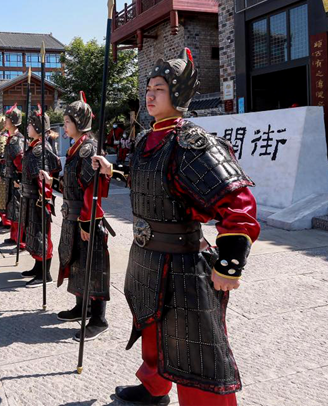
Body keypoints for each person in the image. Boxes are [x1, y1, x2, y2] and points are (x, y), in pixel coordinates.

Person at [92, 52, 260, 406]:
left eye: (159, 88)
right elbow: (153, 183)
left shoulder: (192, 142)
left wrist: (229, 264)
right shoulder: (146, 139)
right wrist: (112, 171)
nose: (150, 95)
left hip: (182, 262)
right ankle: (154, 387)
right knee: (152, 330)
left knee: (195, 347)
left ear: (178, 94)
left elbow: (237, 201)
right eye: (148, 88)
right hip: (146, 258)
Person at [40, 91, 112, 339]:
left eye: (68, 121)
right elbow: (71, 184)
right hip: (73, 216)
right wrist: (51, 181)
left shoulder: (88, 149)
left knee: (93, 267)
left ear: (80, 123)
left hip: (86, 219)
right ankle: (82, 307)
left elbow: (92, 189)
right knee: (77, 265)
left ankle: (99, 318)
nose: (65, 125)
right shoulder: (75, 148)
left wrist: (87, 222)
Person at [20, 107, 61, 287]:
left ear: (37, 127)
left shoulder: (40, 149)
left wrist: (44, 200)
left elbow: (43, 178)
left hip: (38, 199)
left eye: (30, 125)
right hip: (30, 197)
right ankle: (38, 267)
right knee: (34, 234)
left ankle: (45, 274)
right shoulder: (35, 145)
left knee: (41, 235)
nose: (27, 128)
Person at [0, 105, 24, 245]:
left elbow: (20, 162)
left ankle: (19, 239)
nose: (5, 122)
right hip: (10, 178)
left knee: (17, 208)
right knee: (12, 208)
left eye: (7, 119)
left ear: (13, 121)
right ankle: (14, 236)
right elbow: (10, 159)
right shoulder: (11, 138)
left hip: (15, 179)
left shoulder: (17, 140)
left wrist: (18, 179)